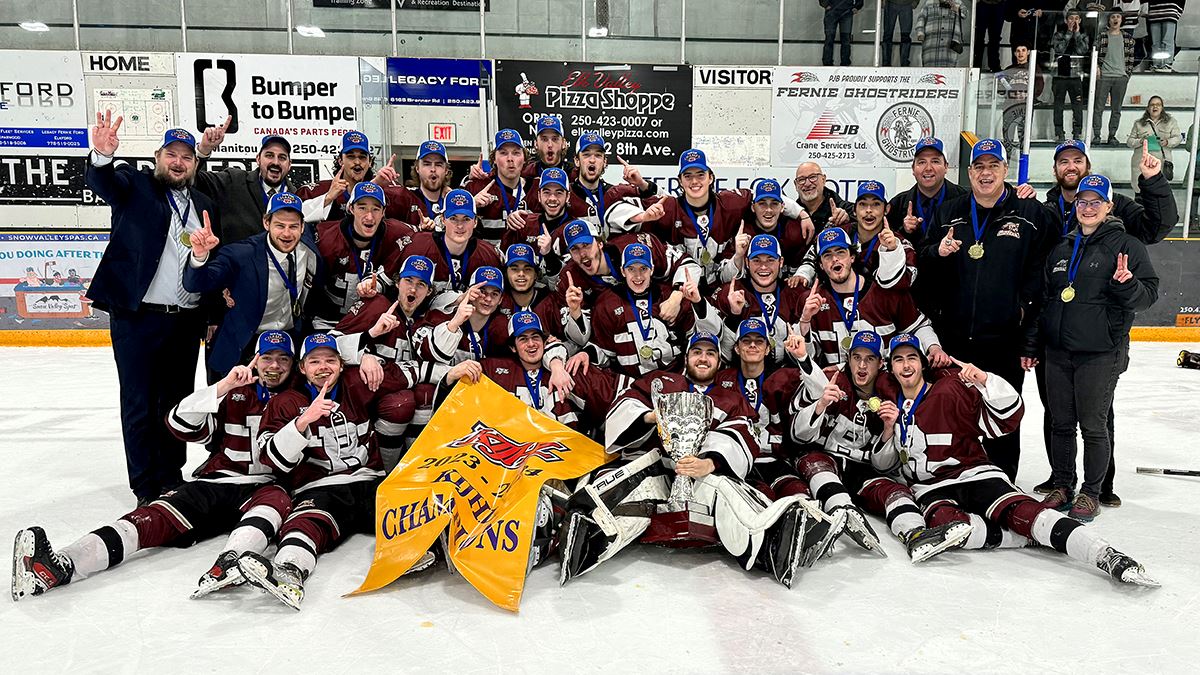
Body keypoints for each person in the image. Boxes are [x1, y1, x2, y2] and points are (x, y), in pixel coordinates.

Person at [11, 331, 298, 601]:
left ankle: (230, 564)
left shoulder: (301, 399)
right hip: (215, 483)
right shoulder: (235, 393)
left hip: (265, 488)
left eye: (283, 359)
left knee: (273, 505)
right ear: (254, 360)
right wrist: (223, 387)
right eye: (267, 357)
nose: (274, 365)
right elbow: (178, 422)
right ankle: (61, 565)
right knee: (147, 520)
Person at [559, 331, 840, 588]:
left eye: (710, 353)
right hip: (658, 466)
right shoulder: (661, 382)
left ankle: (770, 543)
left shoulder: (730, 398)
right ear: (687, 356)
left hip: (700, 478)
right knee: (633, 481)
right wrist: (651, 416)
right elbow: (624, 405)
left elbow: (743, 434)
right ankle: (590, 534)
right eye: (697, 352)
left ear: (719, 361)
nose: (703, 358)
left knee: (726, 490)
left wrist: (710, 463)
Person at [875, 334, 1157, 587]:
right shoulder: (889, 402)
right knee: (946, 526)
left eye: (912, 357)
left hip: (975, 474)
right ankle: (1029, 535)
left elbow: (1007, 418)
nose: (906, 365)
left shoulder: (952, 390)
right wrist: (888, 429)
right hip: (931, 488)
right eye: (898, 360)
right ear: (891, 367)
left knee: (1027, 513)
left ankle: (1103, 554)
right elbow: (885, 463)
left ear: (923, 363)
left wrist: (985, 380)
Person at [84, 114, 217, 505]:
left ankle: (170, 476)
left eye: (186, 157)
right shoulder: (135, 185)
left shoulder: (204, 205)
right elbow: (104, 182)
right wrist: (102, 156)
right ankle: (145, 487)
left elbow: (205, 263)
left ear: (195, 164)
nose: (178, 162)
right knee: (139, 402)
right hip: (138, 318)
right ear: (157, 157)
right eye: (171, 154)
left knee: (176, 402)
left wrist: (207, 303)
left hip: (184, 320)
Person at [238, 333, 421, 610]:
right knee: (306, 524)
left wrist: (367, 356)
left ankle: (421, 549)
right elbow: (272, 458)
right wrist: (302, 422)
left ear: (341, 364)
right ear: (302, 367)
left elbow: (409, 373)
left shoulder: (358, 383)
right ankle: (289, 569)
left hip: (367, 480)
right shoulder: (285, 402)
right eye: (314, 361)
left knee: (412, 502)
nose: (323, 367)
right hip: (319, 488)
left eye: (330, 360)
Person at [918, 138, 1058, 481]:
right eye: (979, 166)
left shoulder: (1031, 213)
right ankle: (956, 476)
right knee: (956, 412)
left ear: (1005, 170)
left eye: (993, 166)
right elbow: (923, 260)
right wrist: (938, 251)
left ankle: (1003, 481)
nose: (986, 173)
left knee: (1002, 414)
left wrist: (1029, 336)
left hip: (1004, 340)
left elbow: (1042, 281)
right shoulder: (951, 210)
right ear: (969, 172)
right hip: (955, 339)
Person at [1025, 175, 1158, 521]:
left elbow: (1147, 296)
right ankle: (1063, 484)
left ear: (1109, 207)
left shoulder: (1126, 246)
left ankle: (1091, 492)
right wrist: (1033, 343)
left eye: (1095, 202)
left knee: (1094, 425)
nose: (1087, 208)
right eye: (1082, 202)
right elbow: (1046, 300)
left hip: (1100, 352)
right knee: (1061, 424)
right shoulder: (1062, 247)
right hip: (1058, 351)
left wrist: (1127, 285)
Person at [790, 330, 973, 562]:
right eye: (856, 357)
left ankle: (915, 534)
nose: (862, 365)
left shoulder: (891, 393)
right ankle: (842, 510)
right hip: (826, 458)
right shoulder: (833, 380)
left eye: (870, 359)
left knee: (895, 490)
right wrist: (820, 405)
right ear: (848, 359)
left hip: (863, 469)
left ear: (881, 364)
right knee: (816, 465)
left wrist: (888, 429)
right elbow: (798, 437)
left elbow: (883, 466)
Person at [184, 192, 321, 379]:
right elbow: (195, 283)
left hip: (287, 344)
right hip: (244, 344)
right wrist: (199, 256)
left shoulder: (309, 249)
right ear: (266, 223)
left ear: (303, 227)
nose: (287, 233)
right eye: (280, 225)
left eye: (294, 226)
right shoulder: (241, 254)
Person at [800, 226, 946, 369]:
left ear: (852, 257)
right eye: (827, 255)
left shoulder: (884, 291)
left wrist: (934, 348)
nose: (835, 259)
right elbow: (808, 357)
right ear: (820, 264)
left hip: (885, 382)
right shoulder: (813, 301)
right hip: (840, 387)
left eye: (840, 252)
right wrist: (805, 321)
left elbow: (917, 327)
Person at [588, 243, 720, 376]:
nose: (638, 276)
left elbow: (708, 335)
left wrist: (698, 302)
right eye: (631, 269)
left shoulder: (669, 297)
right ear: (623, 271)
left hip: (677, 378)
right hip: (633, 386)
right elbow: (604, 353)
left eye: (643, 268)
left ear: (652, 269)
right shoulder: (606, 304)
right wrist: (585, 354)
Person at [309, 182, 413, 330]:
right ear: (351, 208)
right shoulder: (326, 237)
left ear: (384, 211)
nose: (369, 217)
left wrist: (429, 228)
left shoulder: (398, 233)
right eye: (362, 208)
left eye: (376, 209)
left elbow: (423, 239)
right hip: (327, 322)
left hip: (371, 320)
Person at [193, 122, 295, 244]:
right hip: (234, 262)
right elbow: (193, 179)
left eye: (282, 158)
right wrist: (203, 151)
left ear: (289, 165)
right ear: (258, 159)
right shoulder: (233, 181)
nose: (276, 162)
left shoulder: (298, 197)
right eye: (269, 155)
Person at [887, 138, 970, 254]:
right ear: (913, 169)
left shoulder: (966, 200)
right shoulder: (897, 204)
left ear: (946, 166)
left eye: (935, 161)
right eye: (921, 162)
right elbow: (888, 249)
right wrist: (904, 231)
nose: (928, 168)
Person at [1093, 12, 1136, 146]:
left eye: (1118, 16)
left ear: (1122, 20)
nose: (1115, 19)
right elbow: (1094, 54)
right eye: (1113, 17)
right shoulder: (1102, 36)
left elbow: (1131, 59)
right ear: (1109, 20)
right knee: (1098, 108)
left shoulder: (1128, 38)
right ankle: (1097, 135)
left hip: (1120, 77)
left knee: (1116, 109)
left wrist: (1127, 74)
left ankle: (1112, 135)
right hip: (1104, 76)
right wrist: (1097, 68)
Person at [1126, 96, 1182, 194]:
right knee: (1140, 196)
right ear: (1148, 108)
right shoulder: (1139, 123)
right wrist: (1140, 141)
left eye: (1158, 105)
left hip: (1161, 164)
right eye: (1152, 105)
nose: (1155, 107)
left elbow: (1178, 138)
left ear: (1162, 108)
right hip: (1141, 165)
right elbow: (1130, 142)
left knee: (1159, 197)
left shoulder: (1171, 122)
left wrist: (1167, 142)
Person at [1051, 11, 1091, 143]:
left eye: (1076, 19)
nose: (1073, 21)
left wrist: (1077, 34)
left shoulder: (1083, 35)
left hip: (1075, 76)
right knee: (1058, 106)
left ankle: (1077, 132)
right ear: (1066, 20)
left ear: (1079, 20)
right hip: (1060, 76)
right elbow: (1059, 50)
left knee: (1077, 106)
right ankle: (1058, 132)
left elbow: (1082, 51)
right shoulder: (1059, 34)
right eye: (1071, 19)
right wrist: (1069, 33)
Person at [915, 0, 967, 68]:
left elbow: (965, 14)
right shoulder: (929, 3)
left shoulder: (957, 2)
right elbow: (921, 17)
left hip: (949, 45)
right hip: (931, 44)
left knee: (949, 72)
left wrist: (956, 9)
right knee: (929, 71)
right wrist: (920, 32)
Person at [819, 0, 863, 67]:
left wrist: (857, 6)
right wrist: (825, 4)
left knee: (843, 39)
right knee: (833, 38)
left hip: (843, 11)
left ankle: (839, 62)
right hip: (838, 11)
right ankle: (830, 62)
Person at [1146, 0, 1184, 71]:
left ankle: (1167, 64)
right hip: (1154, 11)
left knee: (1167, 40)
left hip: (1170, 11)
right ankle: (1156, 64)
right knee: (1155, 42)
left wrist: (1178, 11)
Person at [881, 0, 919, 67]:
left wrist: (916, 1)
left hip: (905, 4)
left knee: (904, 35)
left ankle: (902, 62)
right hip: (890, 3)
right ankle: (886, 62)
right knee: (888, 35)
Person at [973, 0, 1007, 72]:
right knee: (979, 37)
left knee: (995, 38)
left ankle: (994, 66)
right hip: (983, 4)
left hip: (999, 5)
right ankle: (976, 65)